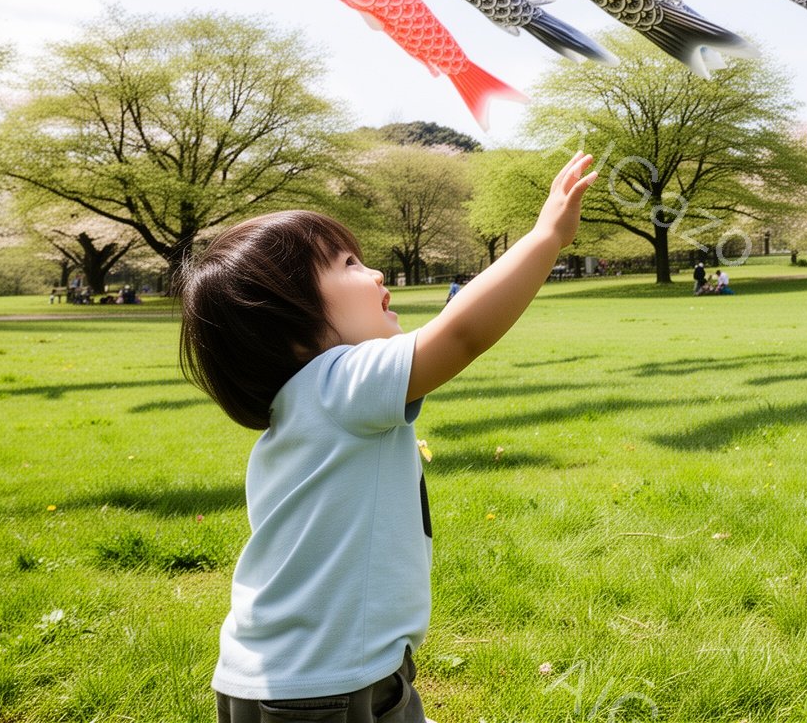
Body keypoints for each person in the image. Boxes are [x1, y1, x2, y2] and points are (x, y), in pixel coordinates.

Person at [177, 153, 596, 721]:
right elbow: (462, 334)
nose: (376, 274)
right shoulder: (338, 383)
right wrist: (546, 237)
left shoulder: (296, 412)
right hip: (328, 685)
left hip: (285, 677)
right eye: (348, 264)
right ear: (291, 320)